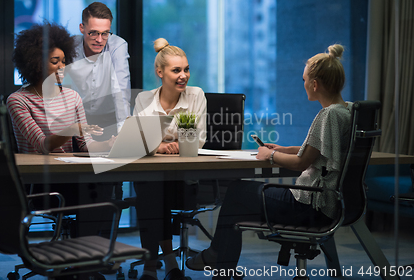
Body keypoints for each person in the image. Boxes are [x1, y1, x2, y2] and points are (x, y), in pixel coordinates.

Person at [185, 44, 352, 279]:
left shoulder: (327, 115)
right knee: (239, 202)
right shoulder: (346, 112)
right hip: (329, 203)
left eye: (304, 80)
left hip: (310, 206)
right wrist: (284, 148)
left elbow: (300, 163)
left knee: (236, 192)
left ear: (315, 84)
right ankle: (221, 262)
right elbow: (319, 151)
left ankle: (218, 259)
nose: (303, 84)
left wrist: (270, 155)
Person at [6, 21, 115, 237]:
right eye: (55, 61)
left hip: (72, 174)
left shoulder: (72, 96)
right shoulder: (18, 100)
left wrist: (109, 144)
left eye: (64, 61)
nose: (62, 67)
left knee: (107, 184)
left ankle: (91, 254)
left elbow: (85, 146)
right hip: (41, 182)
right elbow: (42, 145)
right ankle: (85, 256)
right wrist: (72, 129)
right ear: (35, 62)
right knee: (98, 191)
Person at [133, 38, 207, 280]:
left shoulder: (195, 96)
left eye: (186, 69)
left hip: (185, 180)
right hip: (153, 179)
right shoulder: (144, 99)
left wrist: (163, 144)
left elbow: (198, 139)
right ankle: (168, 261)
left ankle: (151, 264)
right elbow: (138, 140)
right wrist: (161, 146)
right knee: (151, 186)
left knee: (153, 189)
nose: (183, 75)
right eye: (176, 70)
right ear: (160, 72)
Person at [67, 1, 131, 141]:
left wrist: (124, 131)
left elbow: (121, 89)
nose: (99, 40)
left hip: (109, 120)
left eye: (105, 33)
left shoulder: (117, 46)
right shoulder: (70, 46)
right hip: (77, 119)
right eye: (93, 33)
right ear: (82, 28)